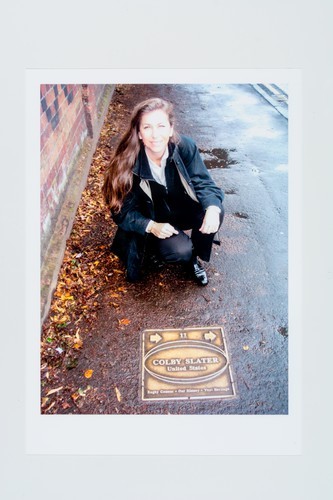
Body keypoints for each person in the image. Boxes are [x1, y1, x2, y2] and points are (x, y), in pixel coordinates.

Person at [102, 97, 224, 285]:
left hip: (180, 208)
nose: (154, 134)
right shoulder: (126, 162)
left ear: (170, 129)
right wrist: (151, 226)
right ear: (139, 133)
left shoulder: (185, 147)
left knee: (215, 209)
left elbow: (203, 182)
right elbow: (120, 211)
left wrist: (213, 210)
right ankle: (172, 251)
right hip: (152, 217)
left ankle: (195, 258)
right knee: (179, 251)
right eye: (147, 127)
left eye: (160, 126)